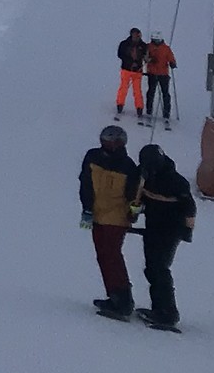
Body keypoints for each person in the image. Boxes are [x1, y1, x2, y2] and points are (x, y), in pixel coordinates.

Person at [79, 123, 142, 320]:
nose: (108, 146)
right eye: (106, 141)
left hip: (117, 217)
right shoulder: (93, 157)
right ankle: (114, 295)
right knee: (102, 256)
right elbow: (85, 184)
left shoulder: (128, 167)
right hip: (97, 214)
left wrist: (134, 211)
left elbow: (134, 195)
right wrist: (86, 208)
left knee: (112, 255)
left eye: (113, 143)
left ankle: (124, 299)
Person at [135, 141, 195, 331]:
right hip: (152, 228)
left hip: (170, 231)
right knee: (151, 269)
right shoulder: (144, 176)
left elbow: (190, 208)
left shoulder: (176, 181)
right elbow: (139, 198)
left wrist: (187, 230)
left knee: (160, 268)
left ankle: (168, 312)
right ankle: (158, 308)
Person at [115, 28, 149, 120]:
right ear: (131, 34)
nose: (136, 36)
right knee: (123, 88)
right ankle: (120, 105)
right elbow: (120, 54)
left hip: (137, 71)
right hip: (126, 69)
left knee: (137, 90)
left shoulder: (143, 45)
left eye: (138, 34)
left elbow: (146, 56)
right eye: (135, 34)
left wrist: (147, 59)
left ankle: (139, 108)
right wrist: (130, 62)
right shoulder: (124, 44)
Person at [143, 34, 176, 126]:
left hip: (163, 74)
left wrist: (172, 63)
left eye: (157, 40)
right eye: (154, 40)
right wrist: (150, 59)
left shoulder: (166, 48)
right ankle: (149, 111)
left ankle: (166, 113)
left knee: (165, 94)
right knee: (151, 93)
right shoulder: (148, 47)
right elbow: (145, 57)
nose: (156, 42)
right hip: (152, 73)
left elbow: (171, 57)